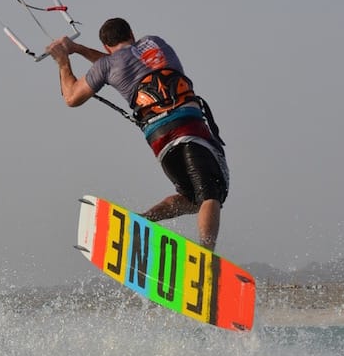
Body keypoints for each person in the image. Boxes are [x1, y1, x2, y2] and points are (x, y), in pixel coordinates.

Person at [46, 17, 229, 250]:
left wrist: (63, 60)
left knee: (192, 199)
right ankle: (206, 254)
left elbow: (72, 96)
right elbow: (121, 62)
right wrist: (77, 50)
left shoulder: (107, 66)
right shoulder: (154, 43)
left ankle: (143, 221)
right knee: (209, 194)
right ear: (131, 33)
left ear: (105, 47)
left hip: (160, 141)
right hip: (188, 128)